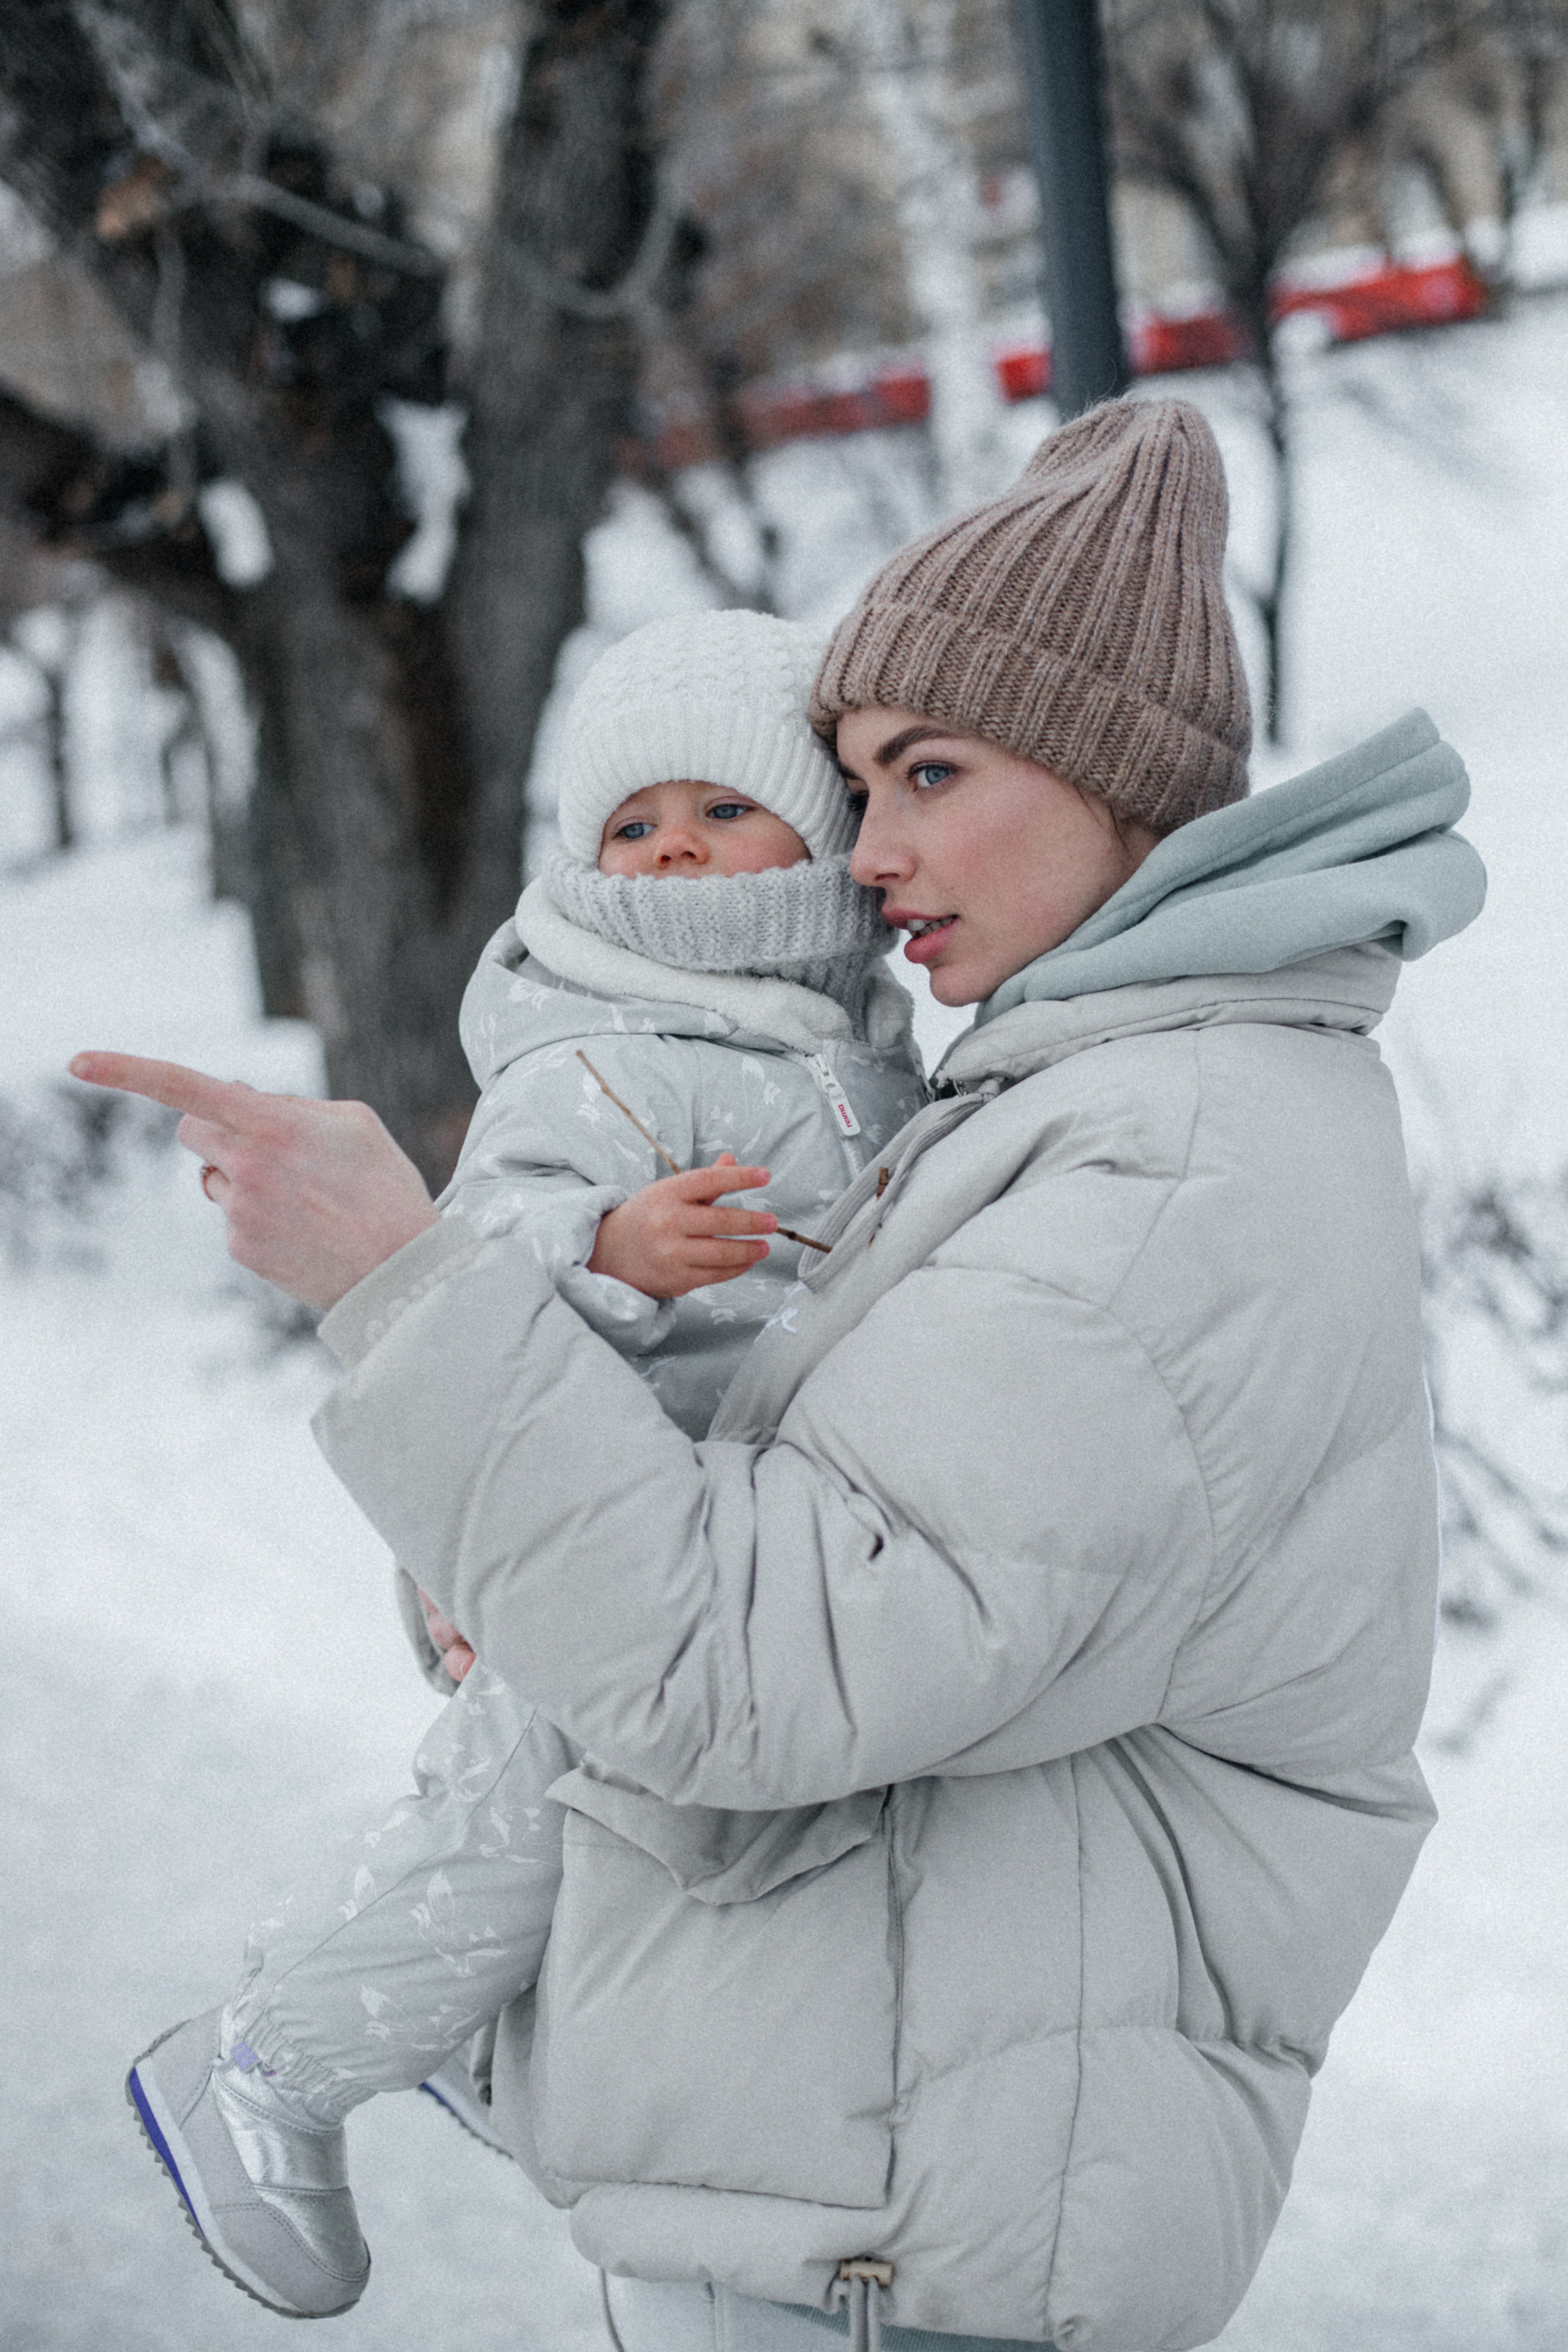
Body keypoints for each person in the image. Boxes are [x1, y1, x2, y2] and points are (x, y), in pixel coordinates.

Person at [77, 398, 1486, 2352]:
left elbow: (749, 1664)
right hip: (873, 2154)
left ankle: (295, 2045)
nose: (874, 849)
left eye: (924, 773)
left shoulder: (1164, 1148)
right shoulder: (1062, 1093)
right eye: (853, 785)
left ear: (1101, 768)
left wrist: (404, 1289)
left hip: (906, 2218)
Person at [111, 608, 926, 2322]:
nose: (676, 846)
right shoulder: (595, 1046)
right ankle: (266, 2065)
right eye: (633, 823)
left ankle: (506, 2056)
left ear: (826, 838)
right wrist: (612, 1251)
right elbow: (469, 1262)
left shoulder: (864, 1050)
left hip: (734, 1557)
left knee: (649, 1855)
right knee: (508, 1832)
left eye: (723, 807)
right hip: (594, 1530)